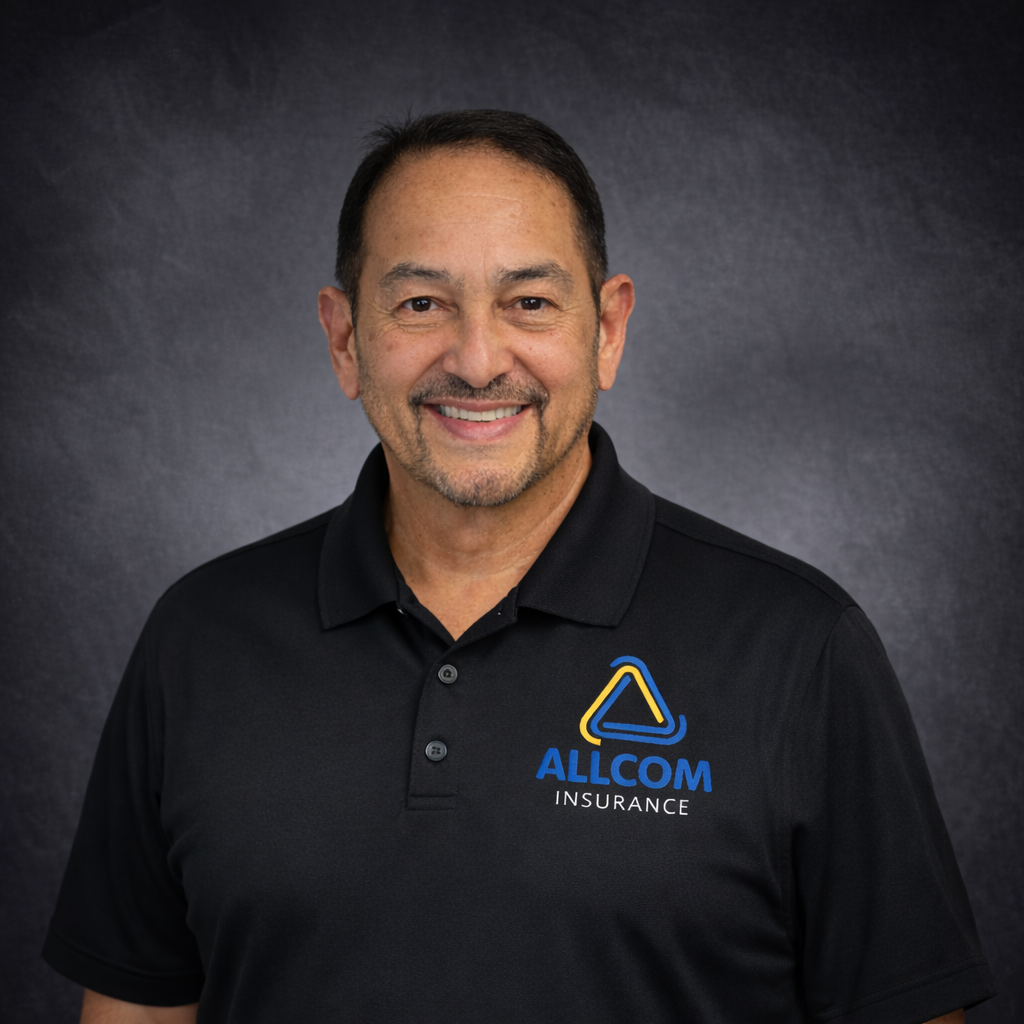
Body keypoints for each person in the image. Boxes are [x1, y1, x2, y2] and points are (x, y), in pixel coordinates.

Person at [44, 110, 994, 1024]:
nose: (477, 357)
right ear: (344, 338)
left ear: (607, 329)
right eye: (421, 303)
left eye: (528, 302)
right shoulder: (200, 638)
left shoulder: (798, 650)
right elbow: (138, 1004)